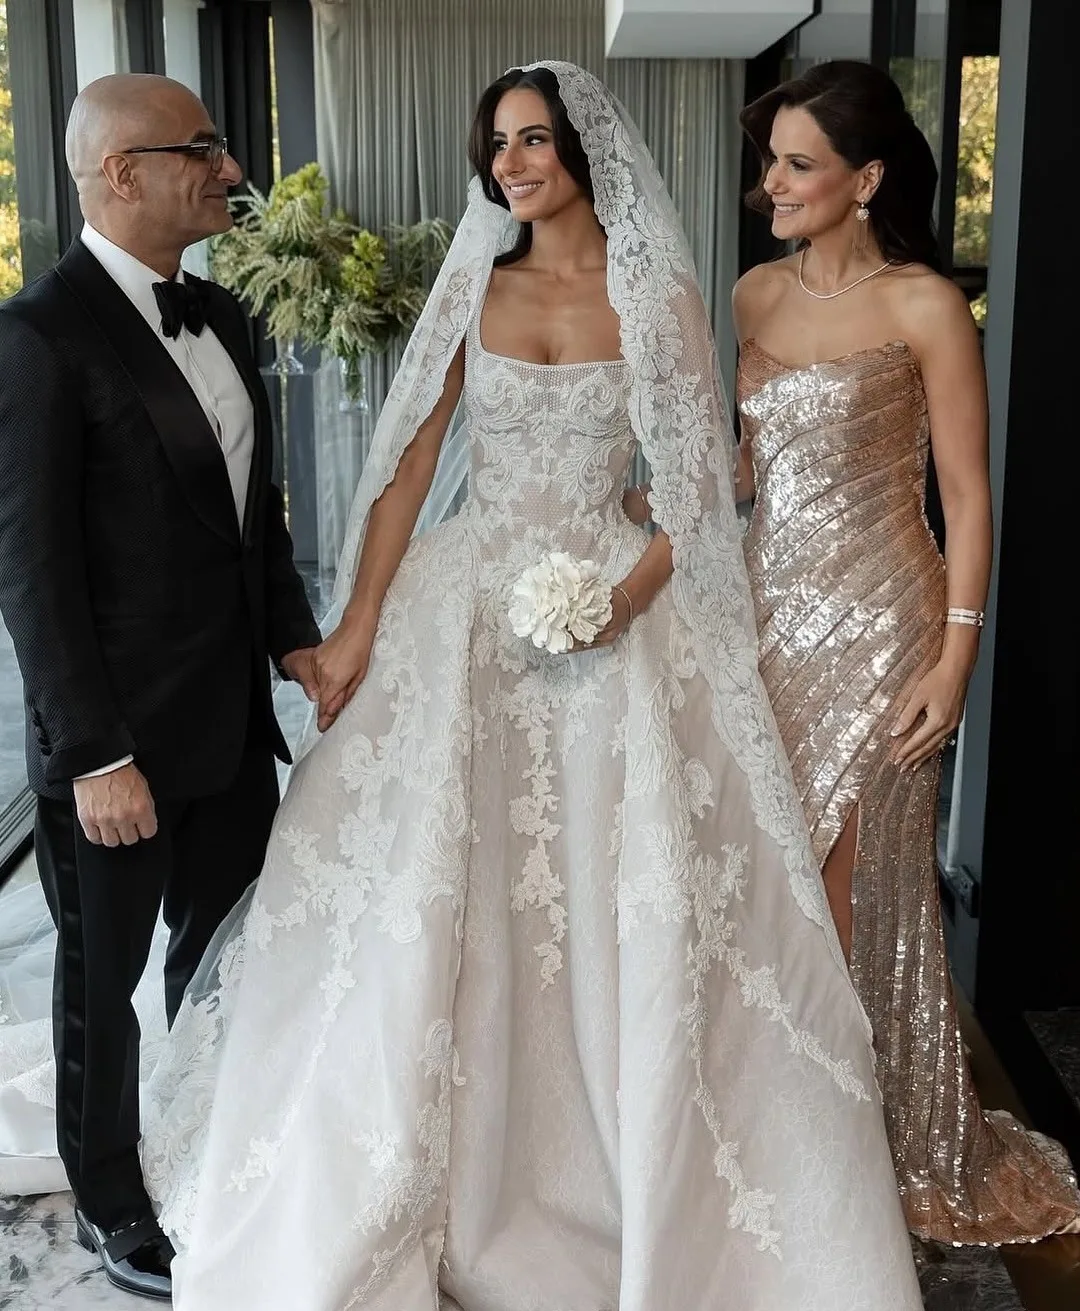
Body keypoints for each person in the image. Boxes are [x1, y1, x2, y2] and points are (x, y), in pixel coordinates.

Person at [134, 61, 923, 1311]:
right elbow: (409, 465)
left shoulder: (657, 297)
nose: (511, 163)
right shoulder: (475, 287)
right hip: (468, 608)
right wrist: (358, 626)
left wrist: (626, 596)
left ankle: (616, 1168)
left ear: (581, 153)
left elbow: (695, 485)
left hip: (614, 611)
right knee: (435, 884)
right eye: (497, 143)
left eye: (535, 139)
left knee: (608, 891)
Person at [715, 58, 1080, 1245]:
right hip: (766, 622)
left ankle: (860, 1150)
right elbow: (746, 472)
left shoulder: (925, 305)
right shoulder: (750, 297)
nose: (774, 184)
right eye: (771, 162)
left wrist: (955, 660)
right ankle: (785, 1124)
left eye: (799, 165)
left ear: (866, 179)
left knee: (852, 888)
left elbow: (966, 498)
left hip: (885, 627)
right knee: (767, 879)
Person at [0, 73, 322, 1298]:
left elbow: (253, 522)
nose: (231, 171)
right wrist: (94, 756)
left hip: (234, 727)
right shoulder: (37, 337)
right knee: (103, 988)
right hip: (117, 749)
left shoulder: (224, 315)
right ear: (124, 174)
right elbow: (31, 573)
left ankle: (200, 1147)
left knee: (224, 958)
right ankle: (109, 1198)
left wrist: (296, 646)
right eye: (205, 149)